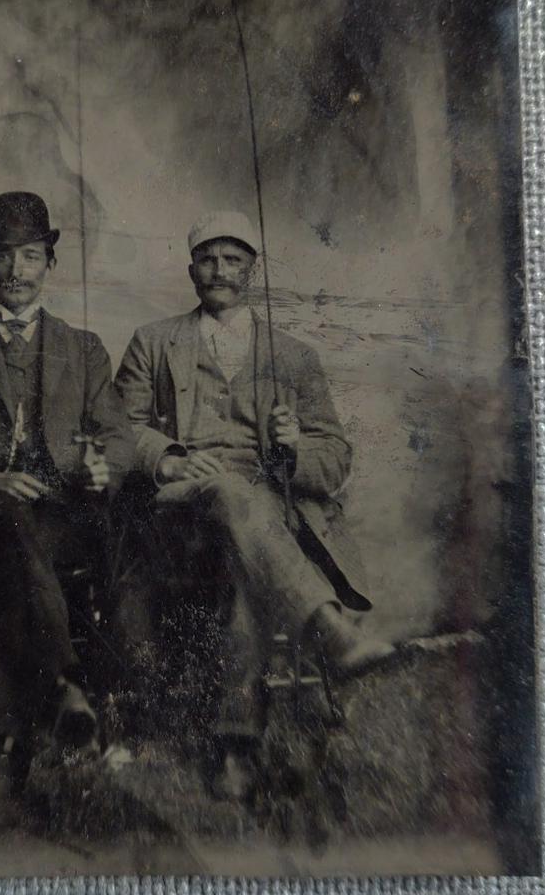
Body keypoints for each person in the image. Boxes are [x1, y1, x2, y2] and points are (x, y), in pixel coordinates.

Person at [115, 210, 394, 792]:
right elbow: (120, 428)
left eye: (233, 260)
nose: (220, 271)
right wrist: (168, 457)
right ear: (191, 267)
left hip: (262, 518)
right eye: (209, 259)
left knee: (248, 564)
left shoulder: (293, 357)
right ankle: (328, 628)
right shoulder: (153, 341)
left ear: (253, 271)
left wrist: (294, 451)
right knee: (227, 491)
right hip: (180, 508)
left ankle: (235, 747)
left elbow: (336, 455)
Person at [0, 191, 135, 753]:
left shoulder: (83, 351)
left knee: (12, 563)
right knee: (7, 521)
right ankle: (66, 679)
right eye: (5, 257)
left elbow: (118, 435)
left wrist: (105, 466)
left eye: (31, 256)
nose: (17, 271)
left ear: (49, 264)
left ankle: (9, 745)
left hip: (63, 521)